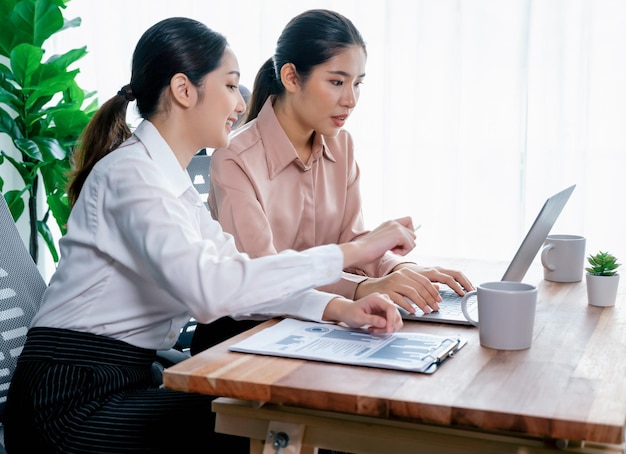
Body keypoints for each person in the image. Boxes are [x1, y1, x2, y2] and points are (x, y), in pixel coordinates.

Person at [3, 16, 418, 454]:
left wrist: (338, 308)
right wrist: (351, 251)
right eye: (229, 86)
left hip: (120, 381)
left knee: (286, 420)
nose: (241, 104)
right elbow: (210, 292)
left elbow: (242, 276)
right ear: (184, 90)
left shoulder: (170, 185)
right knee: (272, 426)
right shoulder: (129, 175)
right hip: (66, 404)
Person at [191, 9, 474, 355]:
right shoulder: (235, 156)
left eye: (357, 84)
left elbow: (352, 242)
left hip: (320, 322)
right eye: (337, 82)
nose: (351, 100)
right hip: (245, 332)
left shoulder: (342, 144)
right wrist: (364, 288)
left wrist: (407, 271)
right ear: (292, 78)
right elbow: (264, 274)